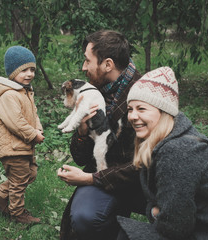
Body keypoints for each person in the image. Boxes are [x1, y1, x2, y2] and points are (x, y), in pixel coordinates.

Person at [116, 66, 208, 239]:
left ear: (164, 111)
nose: (133, 116)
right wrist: (157, 210)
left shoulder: (176, 151)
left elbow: (175, 227)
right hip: (206, 226)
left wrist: (154, 212)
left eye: (141, 109)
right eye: (130, 109)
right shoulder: (175, 135)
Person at [57, 30, 146, 240]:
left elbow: (142, 165)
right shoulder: (95, 91)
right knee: (83, 217)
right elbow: (81, 158)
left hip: (140, 181)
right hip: (104, 171)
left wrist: (89, 179)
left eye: (88, 61)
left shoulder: (143, 96)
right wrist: (82, 131)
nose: (83, 67)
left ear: (108, 65)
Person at [0, 46, 45, 224]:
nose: (29, 74)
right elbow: (16, 123)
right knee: (19, 180)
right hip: (13, 147)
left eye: (32, 70)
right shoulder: (8, 95)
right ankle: (18, 213)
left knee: (30, 174)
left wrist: (39, 129)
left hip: (24, 146)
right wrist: (32, 135)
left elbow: (33, 114)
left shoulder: (24, 91)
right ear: (12, 72)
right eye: (24, 70)